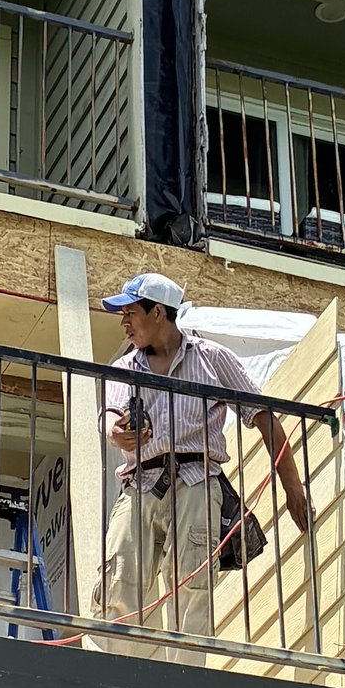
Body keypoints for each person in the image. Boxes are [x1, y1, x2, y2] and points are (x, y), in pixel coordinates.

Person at [97, 273, 310, 650]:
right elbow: (111, 418)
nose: (124, 322)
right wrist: (118, 433)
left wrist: (293, 489)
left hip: (197, 480)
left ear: (158, 312)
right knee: (120, 581)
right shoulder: (126, 367)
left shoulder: (212, 359)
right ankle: (124, 680)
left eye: (131, 312)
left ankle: (185, 686)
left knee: (191, 588)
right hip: (139, 484)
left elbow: (265, 419)